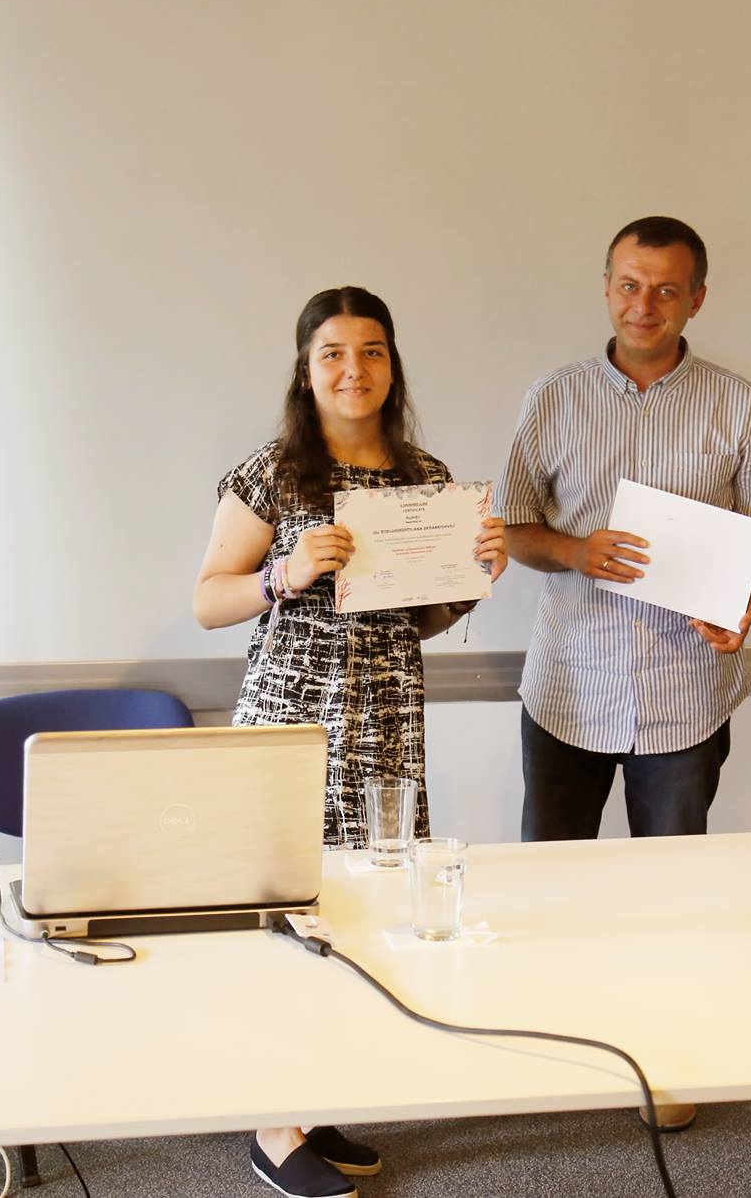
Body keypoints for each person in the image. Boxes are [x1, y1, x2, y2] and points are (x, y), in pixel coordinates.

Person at [194, 286, 507, 1198]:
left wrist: (474, 575)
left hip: (385, 717)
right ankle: (271, 1125)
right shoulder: (273, 473)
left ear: (392, 366)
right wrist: (283, 574)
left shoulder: (426, 477)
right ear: (306, 369)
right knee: (285, 914)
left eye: (371, 350)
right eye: (332, 352)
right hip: (291, 719)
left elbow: (421, 615)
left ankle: (313, 1099)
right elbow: (208, 598)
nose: (353, 369)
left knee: (363, 910)